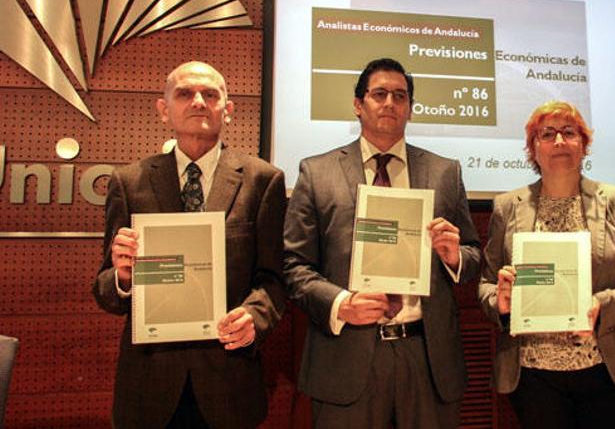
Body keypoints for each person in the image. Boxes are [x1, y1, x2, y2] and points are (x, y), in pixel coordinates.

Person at [283, 57, 481, 428]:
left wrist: (455, 256)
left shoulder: (445, 171)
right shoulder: (317, 171)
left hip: (426, 356)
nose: (390, 102)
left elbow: (473, 255)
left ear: (410, 108)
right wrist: (342, 304)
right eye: (379, 94)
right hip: (346, 355)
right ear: (359, 105)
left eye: (400, 96)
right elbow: (294, 266)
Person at [92, 61, 287, 429]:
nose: (198, 101)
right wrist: (122, 276)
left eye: (210, 94)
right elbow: (105, 291)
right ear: (164, 110)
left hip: (229, 381)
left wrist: (254, 317)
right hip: (149, 384)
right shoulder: (129, 182)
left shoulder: (263, 181)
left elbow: (274, 281)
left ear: (227, 110)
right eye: (185, 94)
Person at [479, 100, 615, 429]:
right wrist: (502, 303)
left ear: (584, 145)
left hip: (608, 369)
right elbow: (487, 283)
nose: (560, 141)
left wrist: (601, 305)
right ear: (533, 149)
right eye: (547, 134)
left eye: (569, 132)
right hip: (534, 376)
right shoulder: (507, 206)